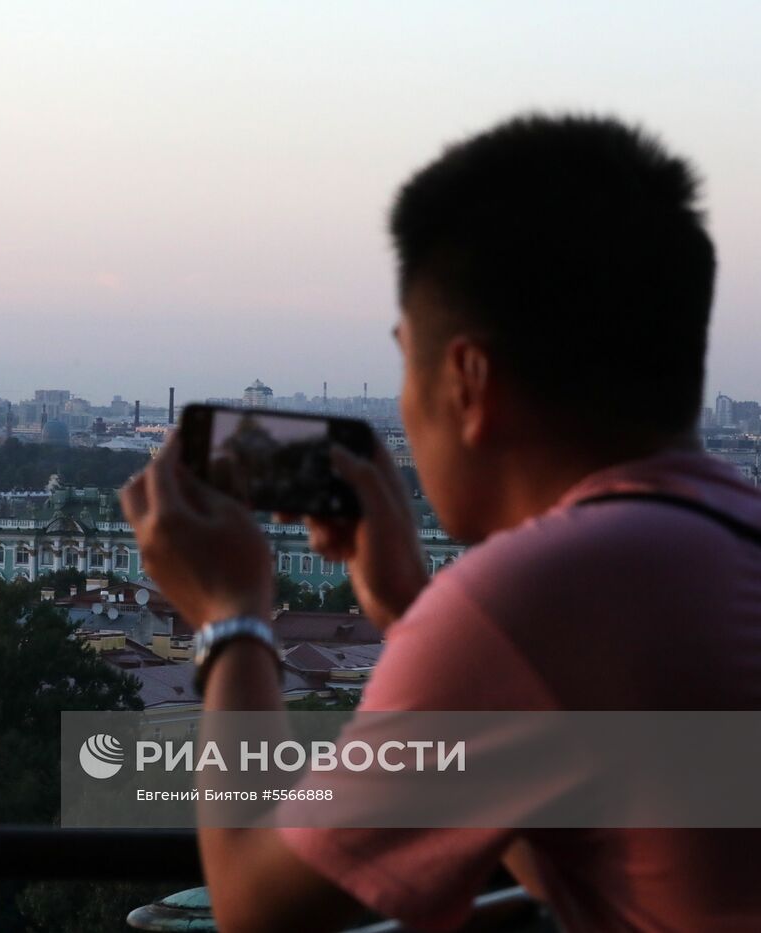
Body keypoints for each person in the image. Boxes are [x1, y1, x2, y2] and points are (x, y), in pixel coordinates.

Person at [122, 114, 761, 932]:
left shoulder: (538, 598)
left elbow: (256, 904)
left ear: (466, 378)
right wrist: (411, 610)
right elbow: (587, 831)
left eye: (405, 359)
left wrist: (229, 617)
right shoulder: (711, 542)